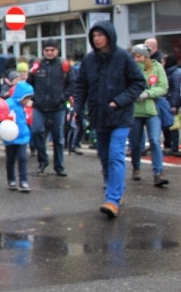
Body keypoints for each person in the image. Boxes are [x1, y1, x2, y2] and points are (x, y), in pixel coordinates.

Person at [72, 21, 146, 218]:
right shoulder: (88, 60)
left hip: (120, 116)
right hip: (98, 116)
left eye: (100, 35)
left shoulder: (123, 58)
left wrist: (118, 101)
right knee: (104, 157)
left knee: (115, 155)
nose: (97, 39)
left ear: (109, 36)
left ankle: (112, 199)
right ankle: (114, 188)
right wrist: (77, 109)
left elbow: (139, 83)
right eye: (94, 35)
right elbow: (81, 87)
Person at [29, 39, 72, 177]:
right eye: (47, 50)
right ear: (43, 51)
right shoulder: (36, 65)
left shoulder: (64, 65)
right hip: (39, 106)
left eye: (52, 50)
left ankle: (59, 166)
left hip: (57, 107)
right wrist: (33, 97)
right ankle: (43, 161)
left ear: (57, 51)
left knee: (58, 139)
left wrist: (63, 97)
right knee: (36, 132)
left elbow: (72, 84)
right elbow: (29, 84)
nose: (49, 52)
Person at [129, 44, 169, 188]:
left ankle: (158, 173)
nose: (136, 59)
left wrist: (148, 94)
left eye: (139, 56)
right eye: (134, 56)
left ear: (146, 56)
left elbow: (163, 87)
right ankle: (136, 168)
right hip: (135, 110)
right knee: (135, 142)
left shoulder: (157, 67)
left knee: (155, 141)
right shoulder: (131, 68)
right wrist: (134, 94)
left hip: (152, 110)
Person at [3, 81, 34, 192]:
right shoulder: (8, 104)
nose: (28, 101)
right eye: (27, 98)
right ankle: (11, 179)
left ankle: (23, 181)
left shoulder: (25, 106)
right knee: (10, 160)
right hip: (10, 138)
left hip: (22, 137)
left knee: (22, 158)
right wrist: (1, 125)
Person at [163, 54, 180, 156]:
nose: (162, 63)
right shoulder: (169, 72)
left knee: (174, 126)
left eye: (164, 61)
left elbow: (176, 90)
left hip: (172, 103)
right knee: (169, 126)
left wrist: (174, 105)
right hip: (168, 102)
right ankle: (170, 146)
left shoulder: (174, 74)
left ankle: (174, 147)